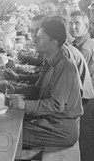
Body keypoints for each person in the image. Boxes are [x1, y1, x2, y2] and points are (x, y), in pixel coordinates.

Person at [9, 19, 83, 148]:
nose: (35, 40)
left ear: (53, 43)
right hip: (49, 121)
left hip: (60, 129)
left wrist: (24, 104)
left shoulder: (64, 67)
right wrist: (15, 90)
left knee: (8, 134)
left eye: (40, 38)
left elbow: (57, 105)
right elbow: (37, 89)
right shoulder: (49, 60)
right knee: (9, 121)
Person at [69, 11, 94, 88]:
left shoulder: (84, 49)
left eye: (77, 23)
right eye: (70, 23)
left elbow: (74, 76)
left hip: (83, 90)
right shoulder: (81, 42)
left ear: (86, 27)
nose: (72, 27)